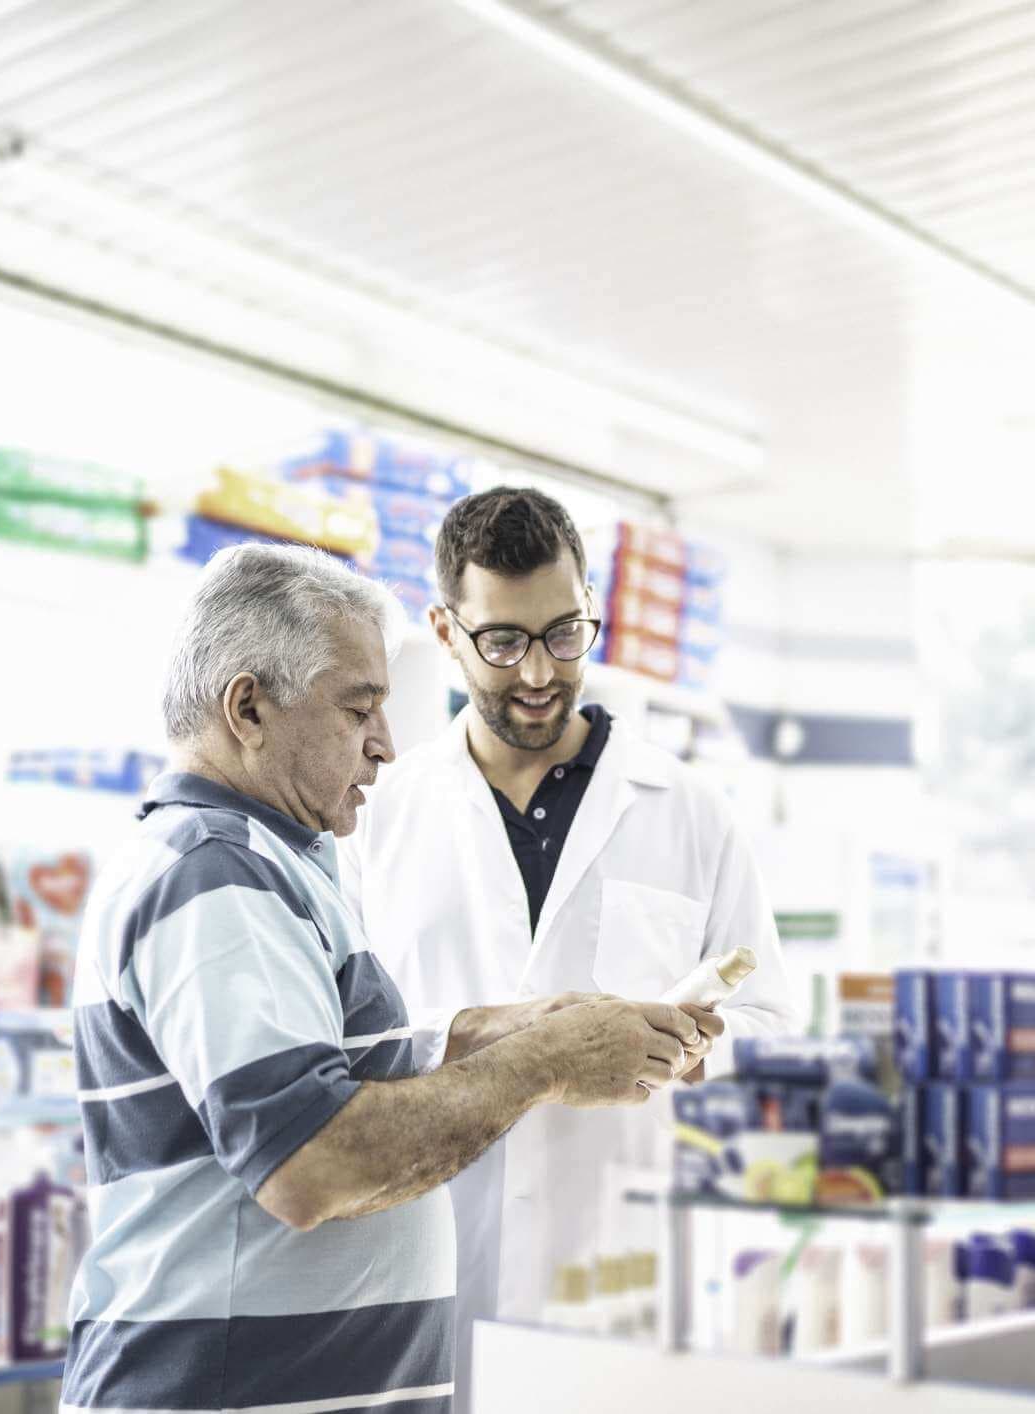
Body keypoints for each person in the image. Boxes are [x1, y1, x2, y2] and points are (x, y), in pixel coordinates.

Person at [62, 544, 715, 1414]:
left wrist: (506, 1029)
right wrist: (546, 1061)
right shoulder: (213, 874)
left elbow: (329, 1064)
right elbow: (310, 1161)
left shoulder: (278, 865)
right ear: (248, 707)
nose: (385, 744)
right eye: (359, 707)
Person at [345, 488, 798, 1404]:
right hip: (428, 1269)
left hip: (615, 1281)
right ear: (444, 631)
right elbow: (343, 1041)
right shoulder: (378, 815)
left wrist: (707, 1048)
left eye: (564, 634)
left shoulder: (691, 812)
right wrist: (509, 1041)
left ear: (594, 608)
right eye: (503, 642)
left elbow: (773, 1021)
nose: (541, 672)